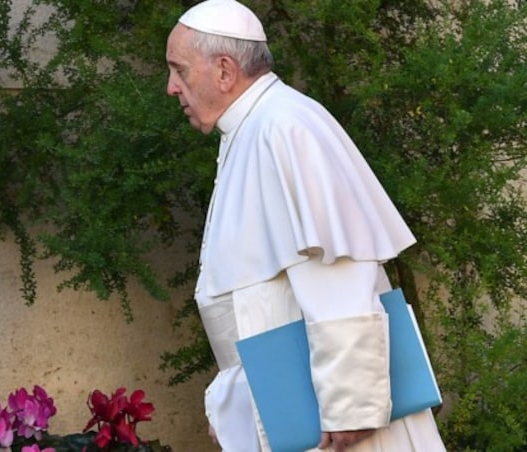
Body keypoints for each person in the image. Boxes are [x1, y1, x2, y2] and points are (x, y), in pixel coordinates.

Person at [164, 0, 447, 451]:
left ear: (224, 70)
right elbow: (259, 300)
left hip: (336, 424)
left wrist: (352, 405)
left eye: (179, 70)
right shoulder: (253, 128)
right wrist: (234, 407)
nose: (171, 88)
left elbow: (337, 269)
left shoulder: (285, 126)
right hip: (297, 410)